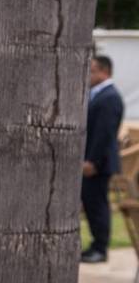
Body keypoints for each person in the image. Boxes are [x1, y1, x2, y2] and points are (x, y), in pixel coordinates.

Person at [82, 55, 125, 264]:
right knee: (91, 203)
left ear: (104, 72)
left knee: (97, 204)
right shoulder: (98, 94)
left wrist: (93, 161)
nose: (89, 75)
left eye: (92, 71)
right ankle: (95, 245)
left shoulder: (109, 97)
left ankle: (100, 247)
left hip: (99, 164)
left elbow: (104, 133)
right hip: (94, 162)